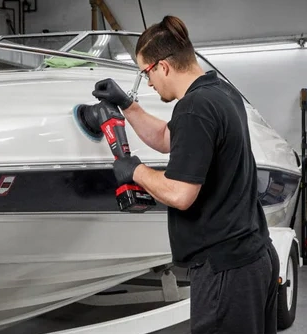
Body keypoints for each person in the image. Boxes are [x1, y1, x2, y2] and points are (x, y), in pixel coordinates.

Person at [91, 15, 280, 334]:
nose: (148, 83)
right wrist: (127, 105)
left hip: (225, 271)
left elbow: (180, 194)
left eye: (146, 74)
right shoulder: (221, 93)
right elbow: (168, 138)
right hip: (254, 257)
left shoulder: (195, 108)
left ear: (162, 66)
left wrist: (135, 170)